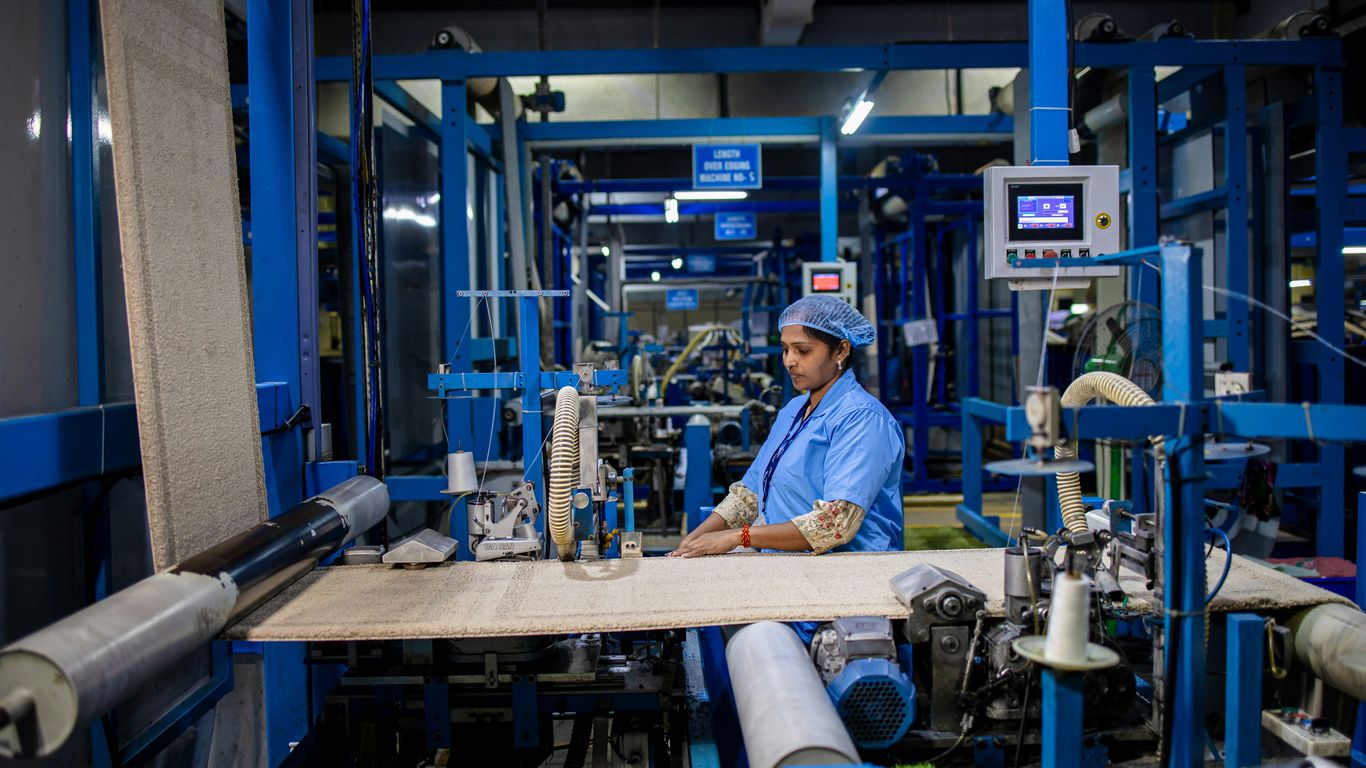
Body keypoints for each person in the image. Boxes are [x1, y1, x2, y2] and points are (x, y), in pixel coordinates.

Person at [669, 295, 904, 558]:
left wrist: (738, 536)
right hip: (789, 562)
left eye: (802, 350)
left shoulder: (862, 419)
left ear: (841, 350)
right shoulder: (793, 411)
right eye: (785, 349)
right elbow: (749, 495)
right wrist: (692, 541)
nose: (789, 361)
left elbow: (835, 524)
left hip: (849, 569)